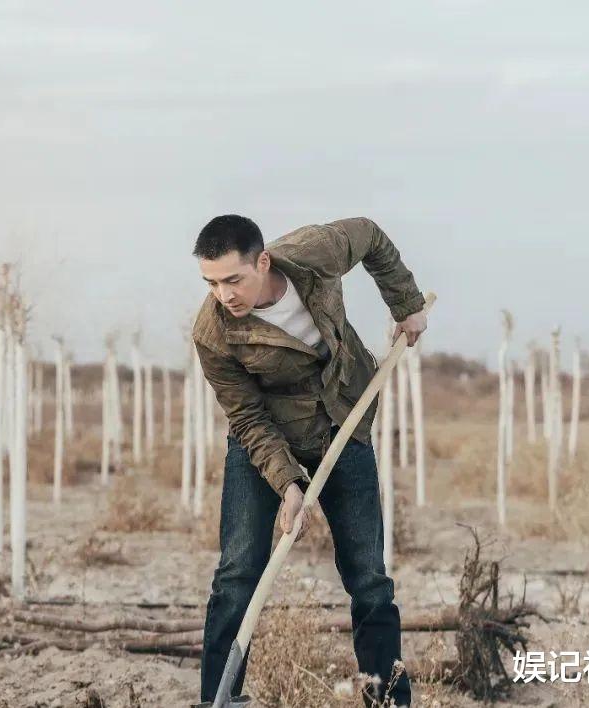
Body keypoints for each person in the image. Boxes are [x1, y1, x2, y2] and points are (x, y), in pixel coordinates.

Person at [191, 215, 427, 707]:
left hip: (344, 420)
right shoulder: (213, 332)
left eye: (234, 279)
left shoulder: (315, 252)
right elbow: (248, 417)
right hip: (266, 438)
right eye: (212, 283)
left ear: (263, 261)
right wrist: (288, 486)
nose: (225, 295)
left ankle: (387, 699)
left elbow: (371, 235)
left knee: (368, 577)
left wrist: (406, 305)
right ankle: (219, 700)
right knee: (237, 574)